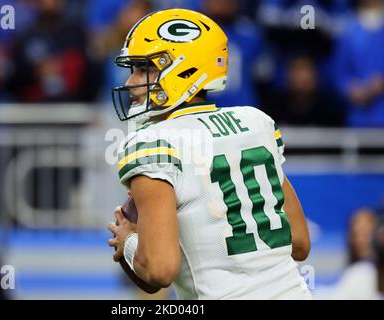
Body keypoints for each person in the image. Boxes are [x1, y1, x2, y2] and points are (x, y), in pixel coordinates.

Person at [107, 8, 311, 299]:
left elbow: (159, 269)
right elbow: (300, 243)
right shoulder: (256, 123)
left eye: (144, 69)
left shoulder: (152, 142)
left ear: (183, 70)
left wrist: (127, 240)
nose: (130, 82)